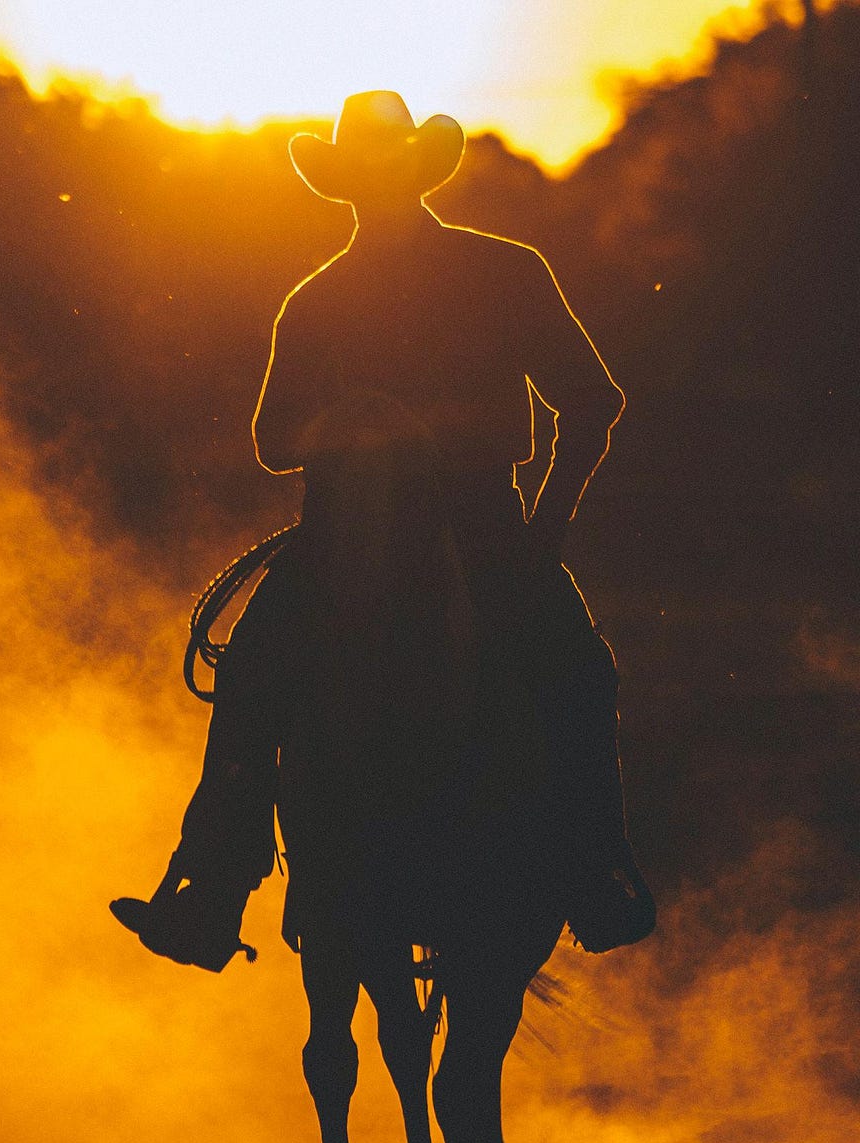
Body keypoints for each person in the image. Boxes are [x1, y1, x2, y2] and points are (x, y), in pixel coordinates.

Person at [112, 91, 654, 972]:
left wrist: (545, 530)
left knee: (579, 675)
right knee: (251, 673)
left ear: (411, 173)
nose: (376, 186)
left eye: (385, 169)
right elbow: (274, 440)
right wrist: (359, 429)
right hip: (355, 533)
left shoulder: (494, 273)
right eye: (363, 172)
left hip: (466, 527)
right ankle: (213, 887)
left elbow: (592, 403)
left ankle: (596, 864)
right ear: (351, 184)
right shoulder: (326, 299)